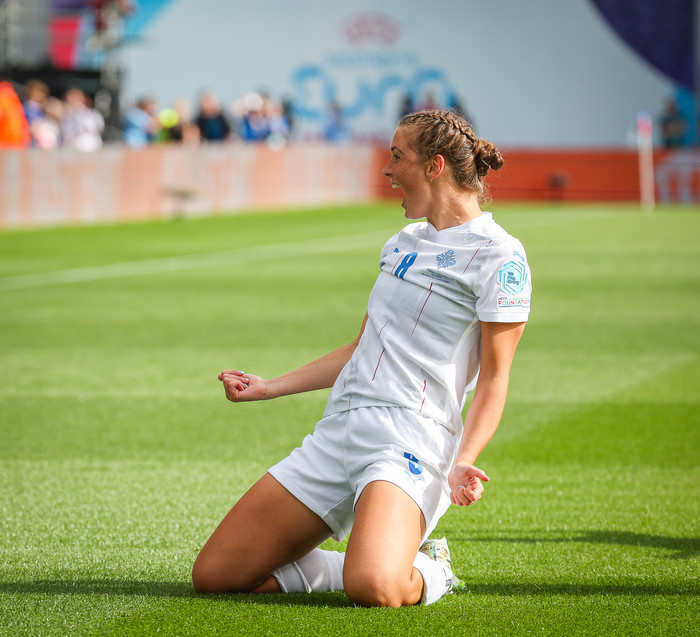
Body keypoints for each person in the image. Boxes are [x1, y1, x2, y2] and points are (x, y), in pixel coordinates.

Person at [192, 109, 532, 607]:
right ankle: (355, 562)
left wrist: (465, 459)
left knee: (375, 586)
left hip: (411, 441)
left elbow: (496, 380)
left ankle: (432, 567)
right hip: (340, 430)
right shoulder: (403, 244)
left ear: (435, 166)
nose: (387, 170)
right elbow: (361, 347)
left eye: (398, 156)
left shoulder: (501, 257)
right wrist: (270, 387)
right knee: (216, 575)